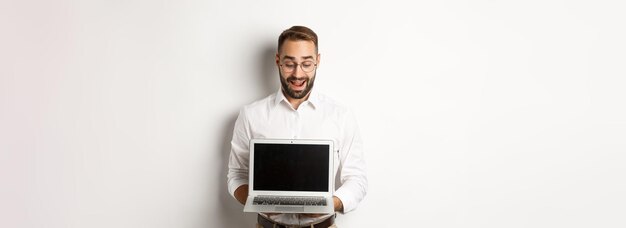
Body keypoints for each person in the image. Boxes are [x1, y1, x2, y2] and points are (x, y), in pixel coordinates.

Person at [227, 25, 367, 228]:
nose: (298, 74)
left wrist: (329, 204)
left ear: (318, 61)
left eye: (306, 64)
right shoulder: (251, 115)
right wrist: (256, 201)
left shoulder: (341, 115)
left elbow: (357, 179)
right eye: (289, 64)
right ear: (278, 61)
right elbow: (236, 175)